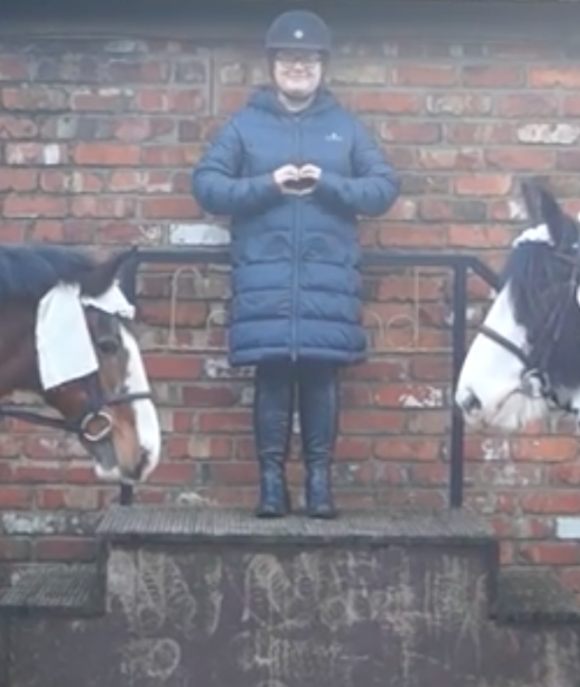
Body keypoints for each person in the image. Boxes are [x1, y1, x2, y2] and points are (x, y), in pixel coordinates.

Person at [190, 9, 400, 520]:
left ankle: (320, 486)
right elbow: (207, 185)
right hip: (265, 282)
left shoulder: (346, 129)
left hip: (328, 284)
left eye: (308, 59)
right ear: (272, 65)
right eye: (288, 58)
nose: (298, 67)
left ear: (323, 66)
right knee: (273, 378)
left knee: (323, 378)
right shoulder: (244, 126)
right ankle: (270, 487)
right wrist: (269, 185)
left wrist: (327, 182)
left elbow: (383, 189)